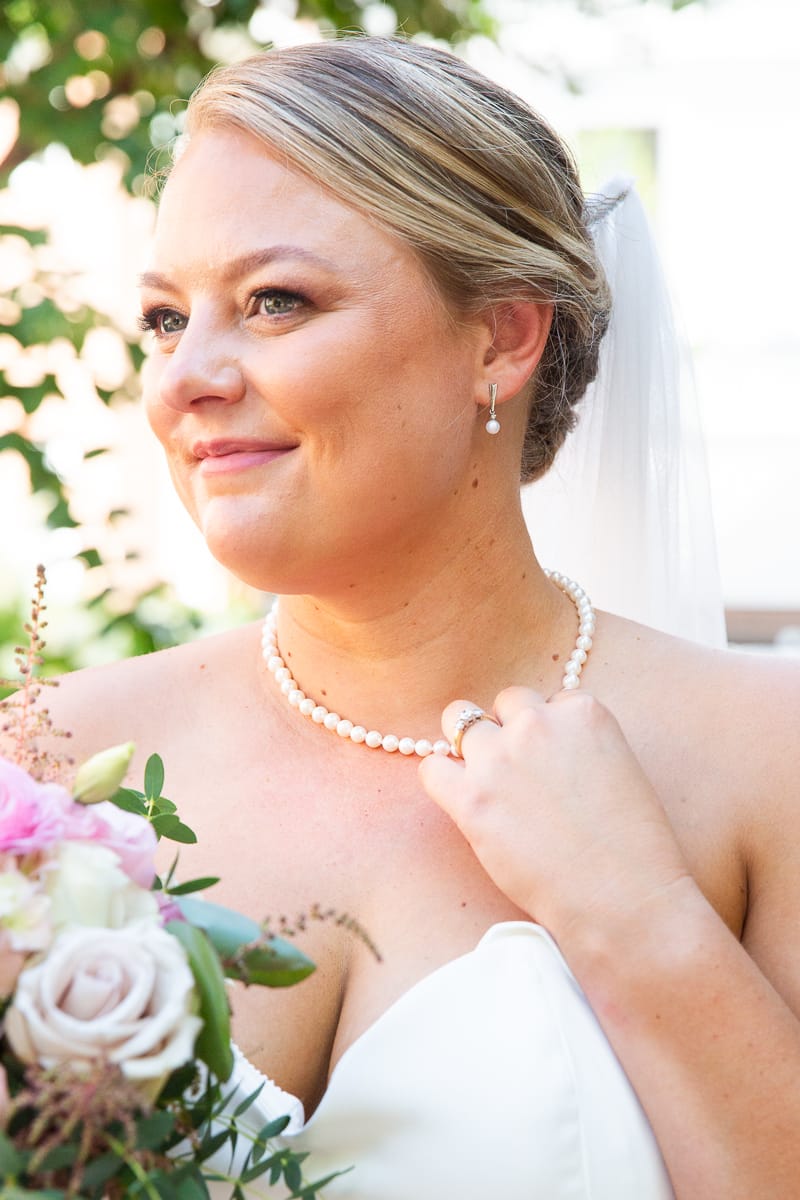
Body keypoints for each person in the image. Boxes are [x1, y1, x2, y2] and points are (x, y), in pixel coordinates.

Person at [12, 34, 800, 1199]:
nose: (185, 380)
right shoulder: (46, 762)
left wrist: (642, 919)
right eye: (167, 319)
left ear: (501, 337)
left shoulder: (761, 757)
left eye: (275, 302)